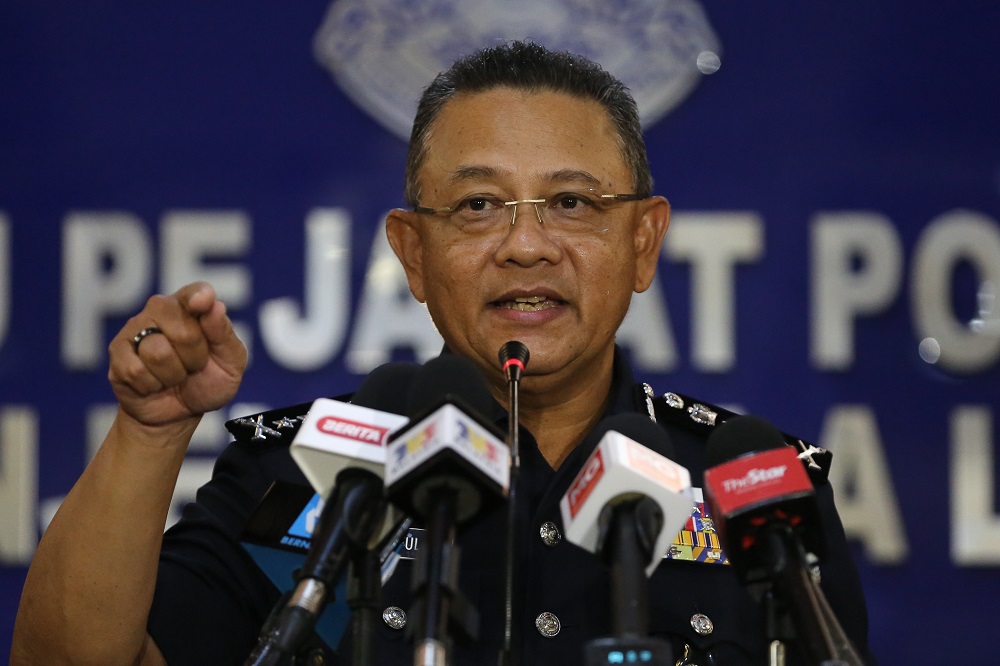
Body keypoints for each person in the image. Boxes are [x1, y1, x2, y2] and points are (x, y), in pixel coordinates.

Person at [11, 41, 874, 665]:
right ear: (412, 254)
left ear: (644, 243)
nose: (527, 245)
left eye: (572, 203)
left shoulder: (749, 491)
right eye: (478, 207)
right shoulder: (310, 478)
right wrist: (152, 430)